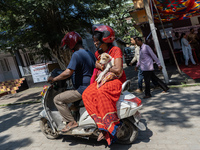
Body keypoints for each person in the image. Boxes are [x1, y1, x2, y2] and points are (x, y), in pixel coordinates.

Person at [82, 25, 126, 146]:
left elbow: (117, 70)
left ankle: (110, 126)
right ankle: (101, 125)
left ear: (105, 39)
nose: (95, 42)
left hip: (115, 80)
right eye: (94, 40)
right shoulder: (97, 53)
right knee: (86, 94)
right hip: (102, 79)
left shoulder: (116, 50)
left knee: (101, 93)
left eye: (96, 40)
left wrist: (101, 66)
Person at [47, 31, 96, 132]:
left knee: (57, 99)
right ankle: (78, 118)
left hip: (83, 89)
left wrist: (54, 79)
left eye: (68, 45)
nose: (68, 48)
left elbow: (68, 72)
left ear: (71, 43)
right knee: (72, 105)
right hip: (92, 86)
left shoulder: (77, 54)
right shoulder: (89, 53)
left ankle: (71, 122)